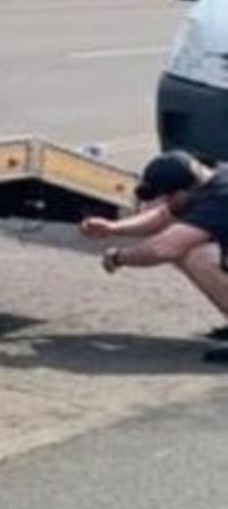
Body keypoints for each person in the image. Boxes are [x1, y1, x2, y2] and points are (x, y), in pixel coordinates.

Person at [82, 150, 228, 359]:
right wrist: (113, 228)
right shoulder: (207, 181)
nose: (163, 201)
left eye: (166, 196)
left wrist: (118, 257)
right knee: (193, 249)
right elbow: (163, 216)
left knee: (198, 256)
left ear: (178, 192)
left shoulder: (221, 196)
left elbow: (162, 249)